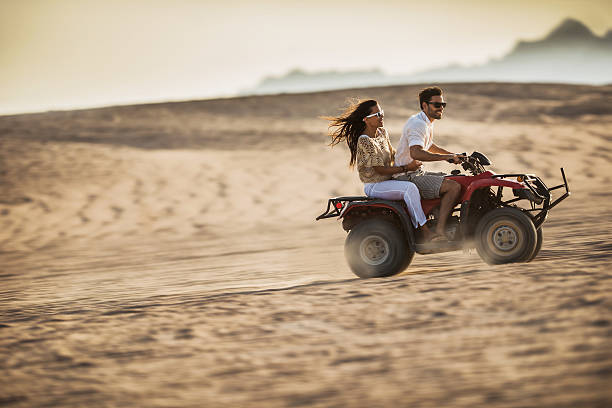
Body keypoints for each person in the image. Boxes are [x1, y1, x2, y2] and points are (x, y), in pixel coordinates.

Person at [326, 99, 436, 241]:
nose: (381, 116)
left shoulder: (382, 133)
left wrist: (410, 157)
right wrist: (406, 167)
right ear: (366, 119)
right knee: (410, 189)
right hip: (375, 185)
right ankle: (424, 231)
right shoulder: (364, 141)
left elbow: (392, 153)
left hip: (389, 181)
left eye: (382, 112)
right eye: (377, 114)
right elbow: (379, 170)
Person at [394, 86, 463, 240]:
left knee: (456, 180)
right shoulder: (418, 124)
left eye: (443, 105)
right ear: (425, 105)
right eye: (437, 105)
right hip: (408, 176)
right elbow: (416, 152)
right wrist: (446, 157)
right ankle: (439, 231)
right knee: (454, 187)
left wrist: (452, 155)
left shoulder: (425, 122)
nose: (441, 108)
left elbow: (429, 145)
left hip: (416, 173)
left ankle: (441, 218)